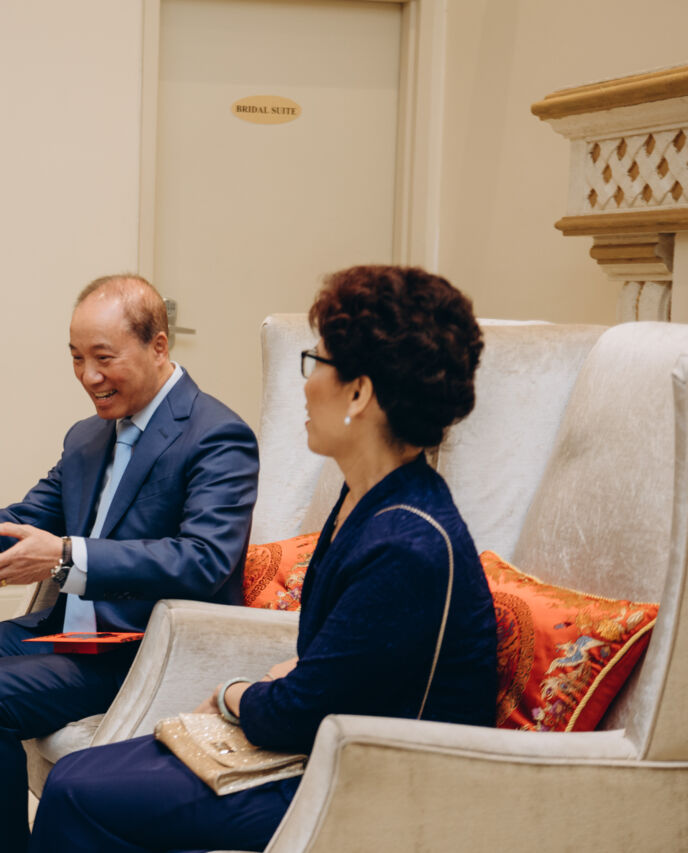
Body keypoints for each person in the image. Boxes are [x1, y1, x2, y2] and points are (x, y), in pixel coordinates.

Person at [28, 265, 499, 853]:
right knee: (82, 776)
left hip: (373, 785)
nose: (305, 385)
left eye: (316, 363)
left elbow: (297, 713)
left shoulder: (406, 542)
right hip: (330, 750)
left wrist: (232, 693)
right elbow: (342, 666)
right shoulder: (370, 497)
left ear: (359, 393)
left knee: (79, 791)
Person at [0, 274, 261, 852]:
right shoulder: (86, 436)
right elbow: (29, 516)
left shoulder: (217, 435)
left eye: (104, 358)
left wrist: (66, 556)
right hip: (68, 636)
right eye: (76, 357)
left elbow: (204, 558)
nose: (89, 376)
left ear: (158, 346)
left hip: (140, 651)